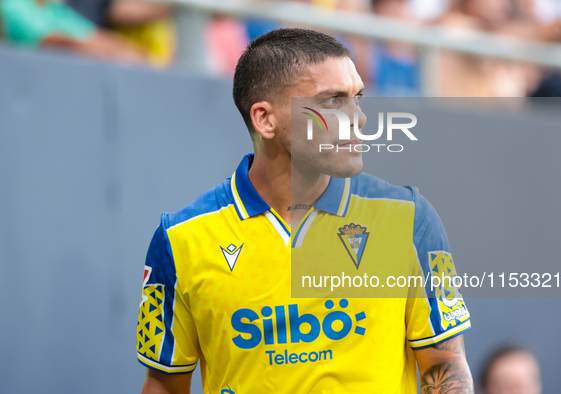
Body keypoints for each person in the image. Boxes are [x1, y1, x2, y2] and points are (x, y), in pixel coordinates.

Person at [137, 28, 473, 393]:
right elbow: (164, 385)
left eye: (357, 98)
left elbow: (445, 367)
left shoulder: (408, 217)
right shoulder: (179, 238)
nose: (358, 118)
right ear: (265, 119)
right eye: (332, 101)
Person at [0, 0, 147, 64]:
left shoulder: (53, 9)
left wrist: (134, 54)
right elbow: (53, 41)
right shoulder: (11, 4)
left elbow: (92, 35)